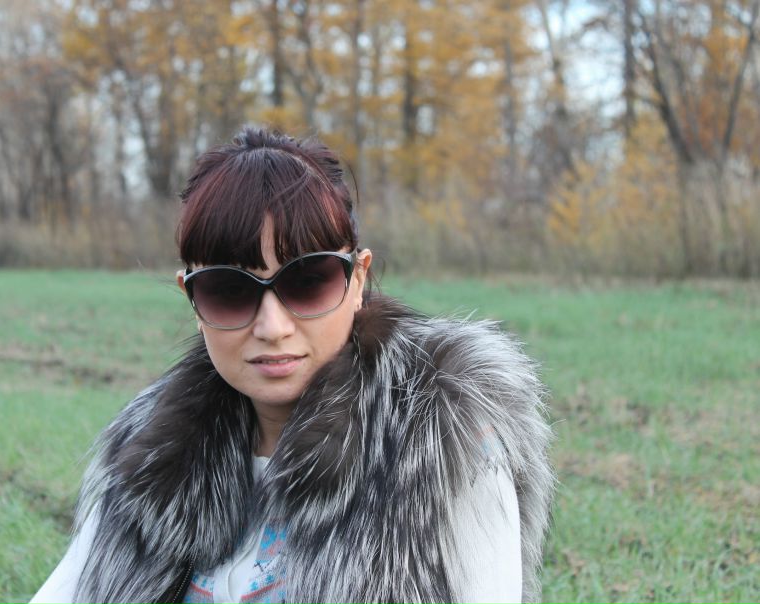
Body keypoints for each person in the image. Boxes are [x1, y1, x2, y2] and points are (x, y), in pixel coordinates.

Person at [29, 128, 554, 604]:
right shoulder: (148, 455)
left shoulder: (448, 441)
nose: (273, 326)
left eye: (308, 281)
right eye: (229, 290)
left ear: (358, 280)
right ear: (191, 297)